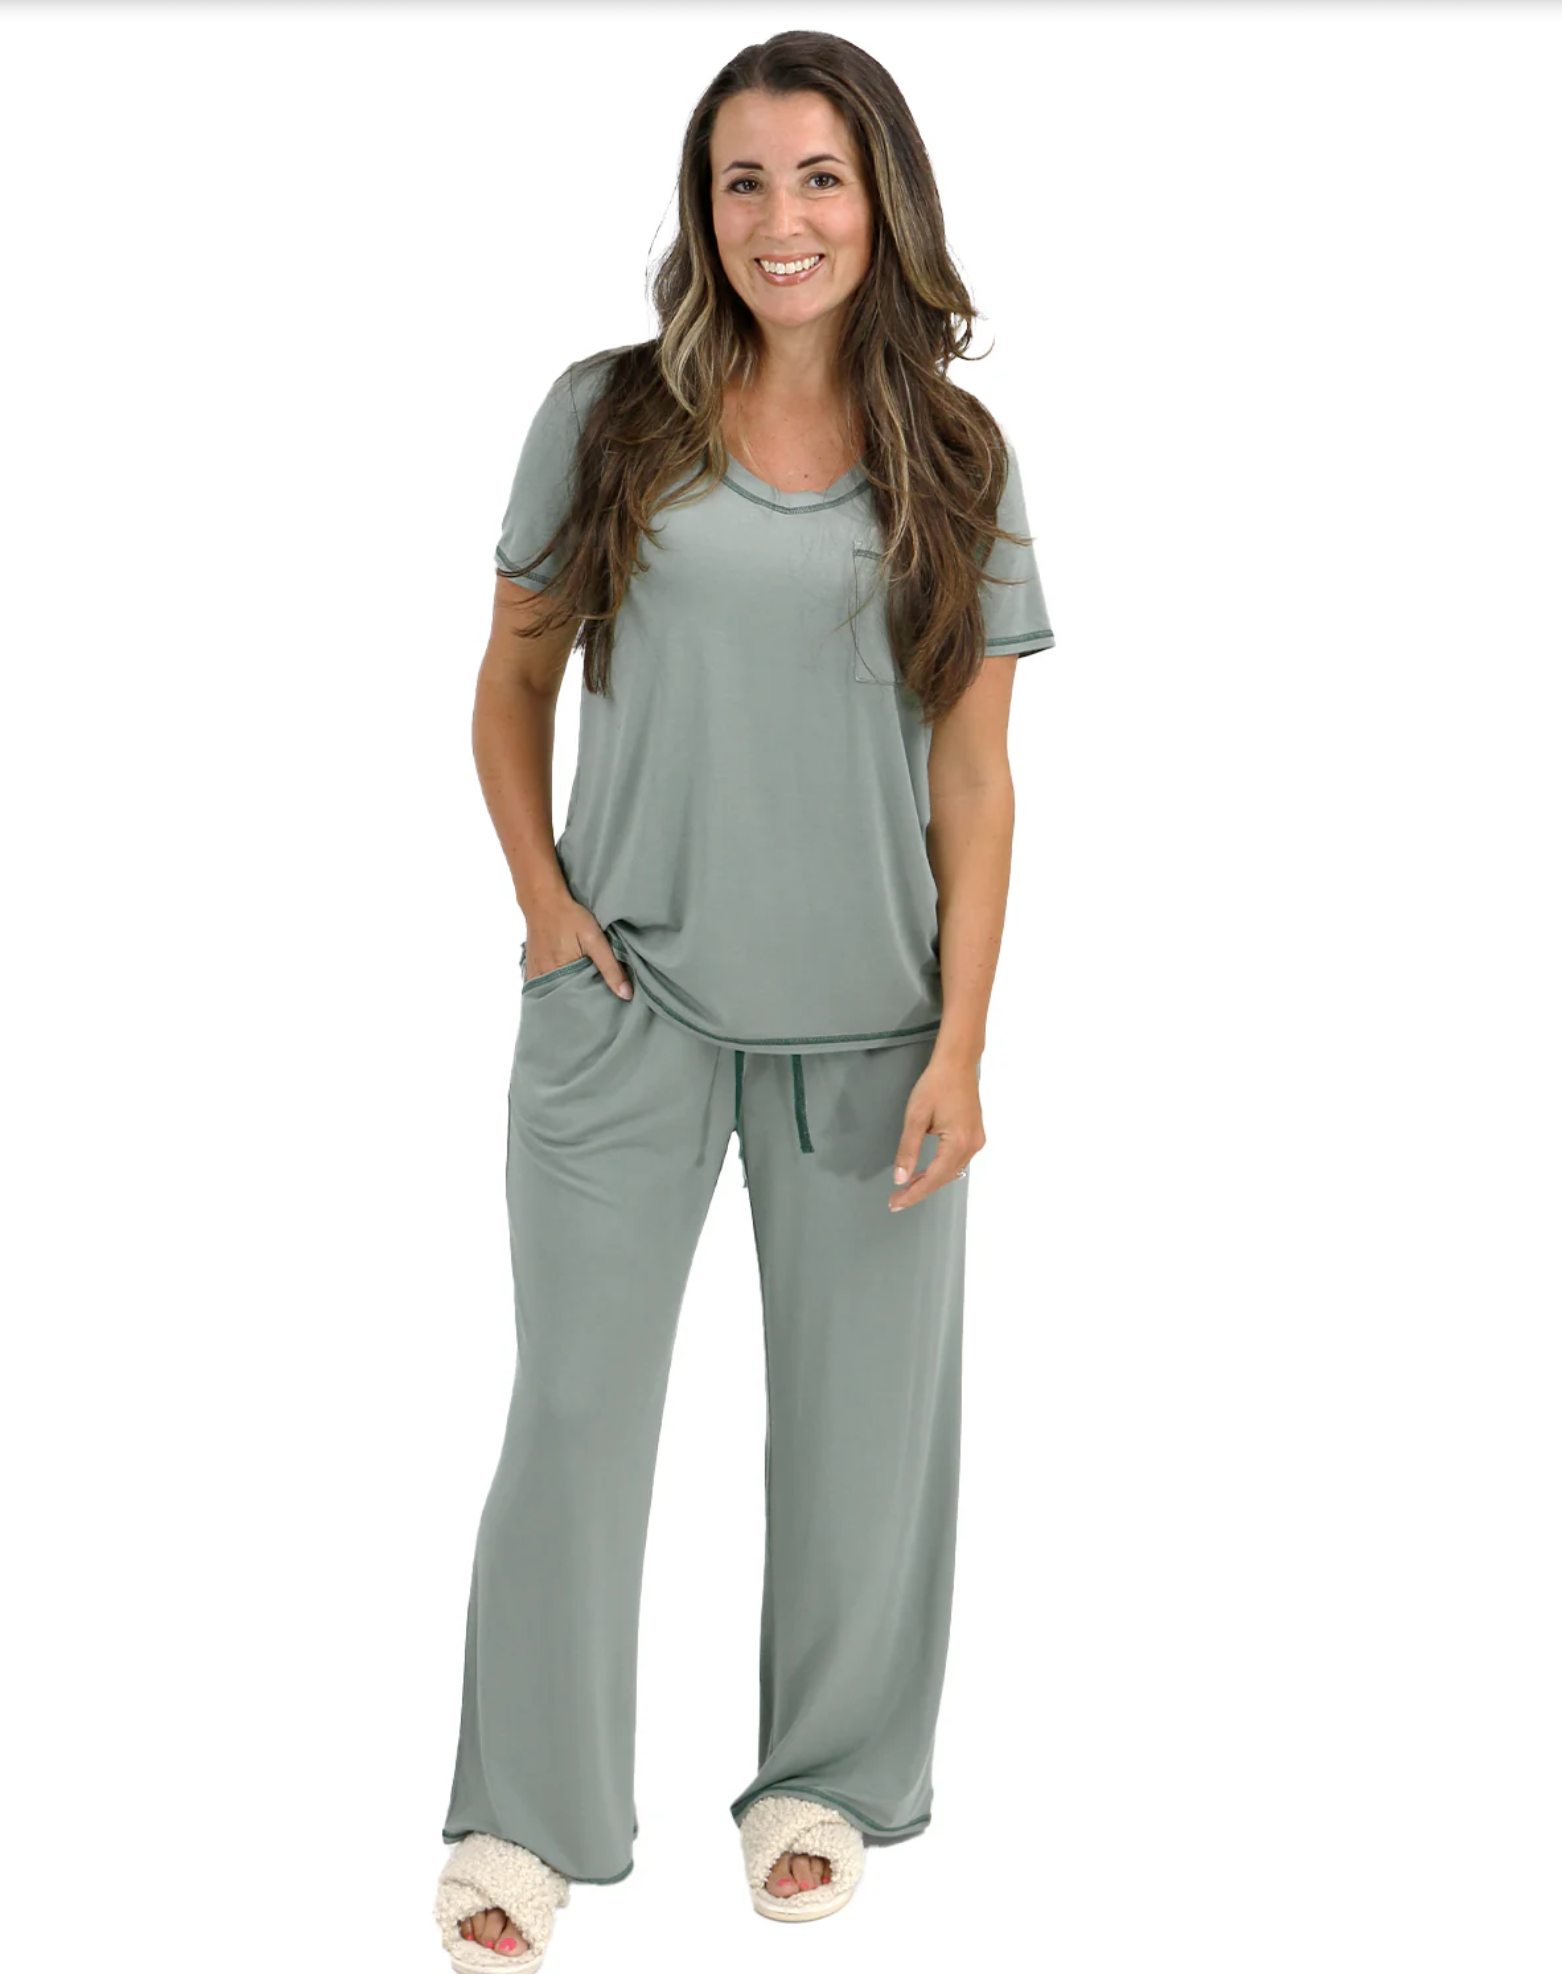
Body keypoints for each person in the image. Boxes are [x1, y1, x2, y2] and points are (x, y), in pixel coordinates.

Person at [433, 29, 1055, 1969]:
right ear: (704, 212)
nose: (782, 218)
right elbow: (511, 674)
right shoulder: (608, 417)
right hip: (625, 1002)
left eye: (818, 177)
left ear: (883, 202)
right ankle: (523, 1816)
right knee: (576, 1414)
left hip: (873, 1030)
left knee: (867, 1432)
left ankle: (824, 1780)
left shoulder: (959, 458)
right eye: (742, 181)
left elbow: (974, 777)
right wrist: (544, 906)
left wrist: (961, 1040)